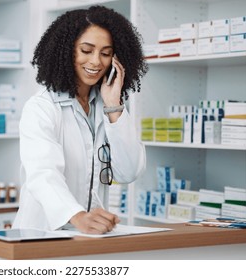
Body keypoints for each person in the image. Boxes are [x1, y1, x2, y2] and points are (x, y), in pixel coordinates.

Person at [12, 5, 148, 234]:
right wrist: (77, 216)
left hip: (89, 236)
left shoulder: (108, 107)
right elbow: (43, 174)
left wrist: (114, 106)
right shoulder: (42, 108)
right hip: (41, 236)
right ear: (67, 51)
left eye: (105, 53)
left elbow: (129, 171)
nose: (96, 62)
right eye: (86, 50)